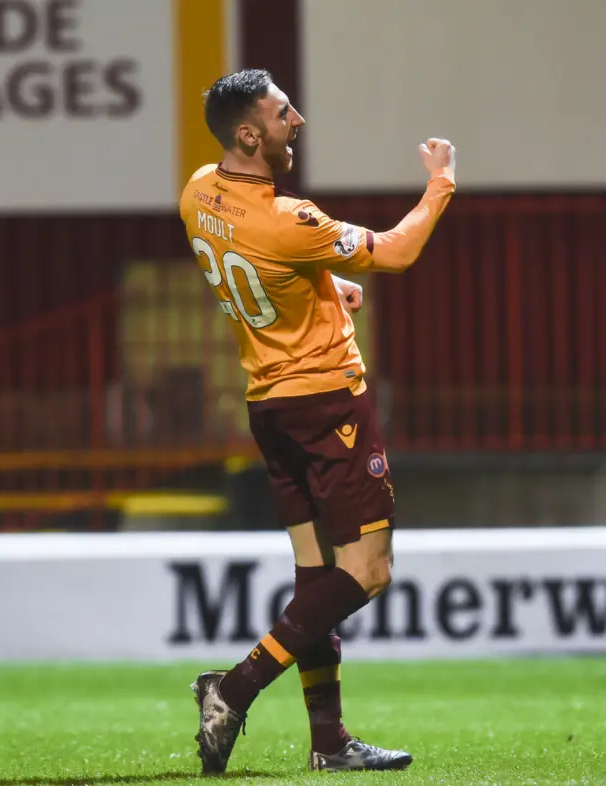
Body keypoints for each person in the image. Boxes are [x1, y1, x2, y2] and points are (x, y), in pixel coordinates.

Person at [179, 68, 456, 775]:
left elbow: (256, 264)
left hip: (268, 407)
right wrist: (440, 185)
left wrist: (326, 286)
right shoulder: (289, 219)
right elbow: (395, 250)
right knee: (366, 573)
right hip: (328, 405)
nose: (296, 120)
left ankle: (329, 744)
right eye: (282, 113)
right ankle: (233, 687)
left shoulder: (198, 191)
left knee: (314, 582)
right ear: (250, 133)